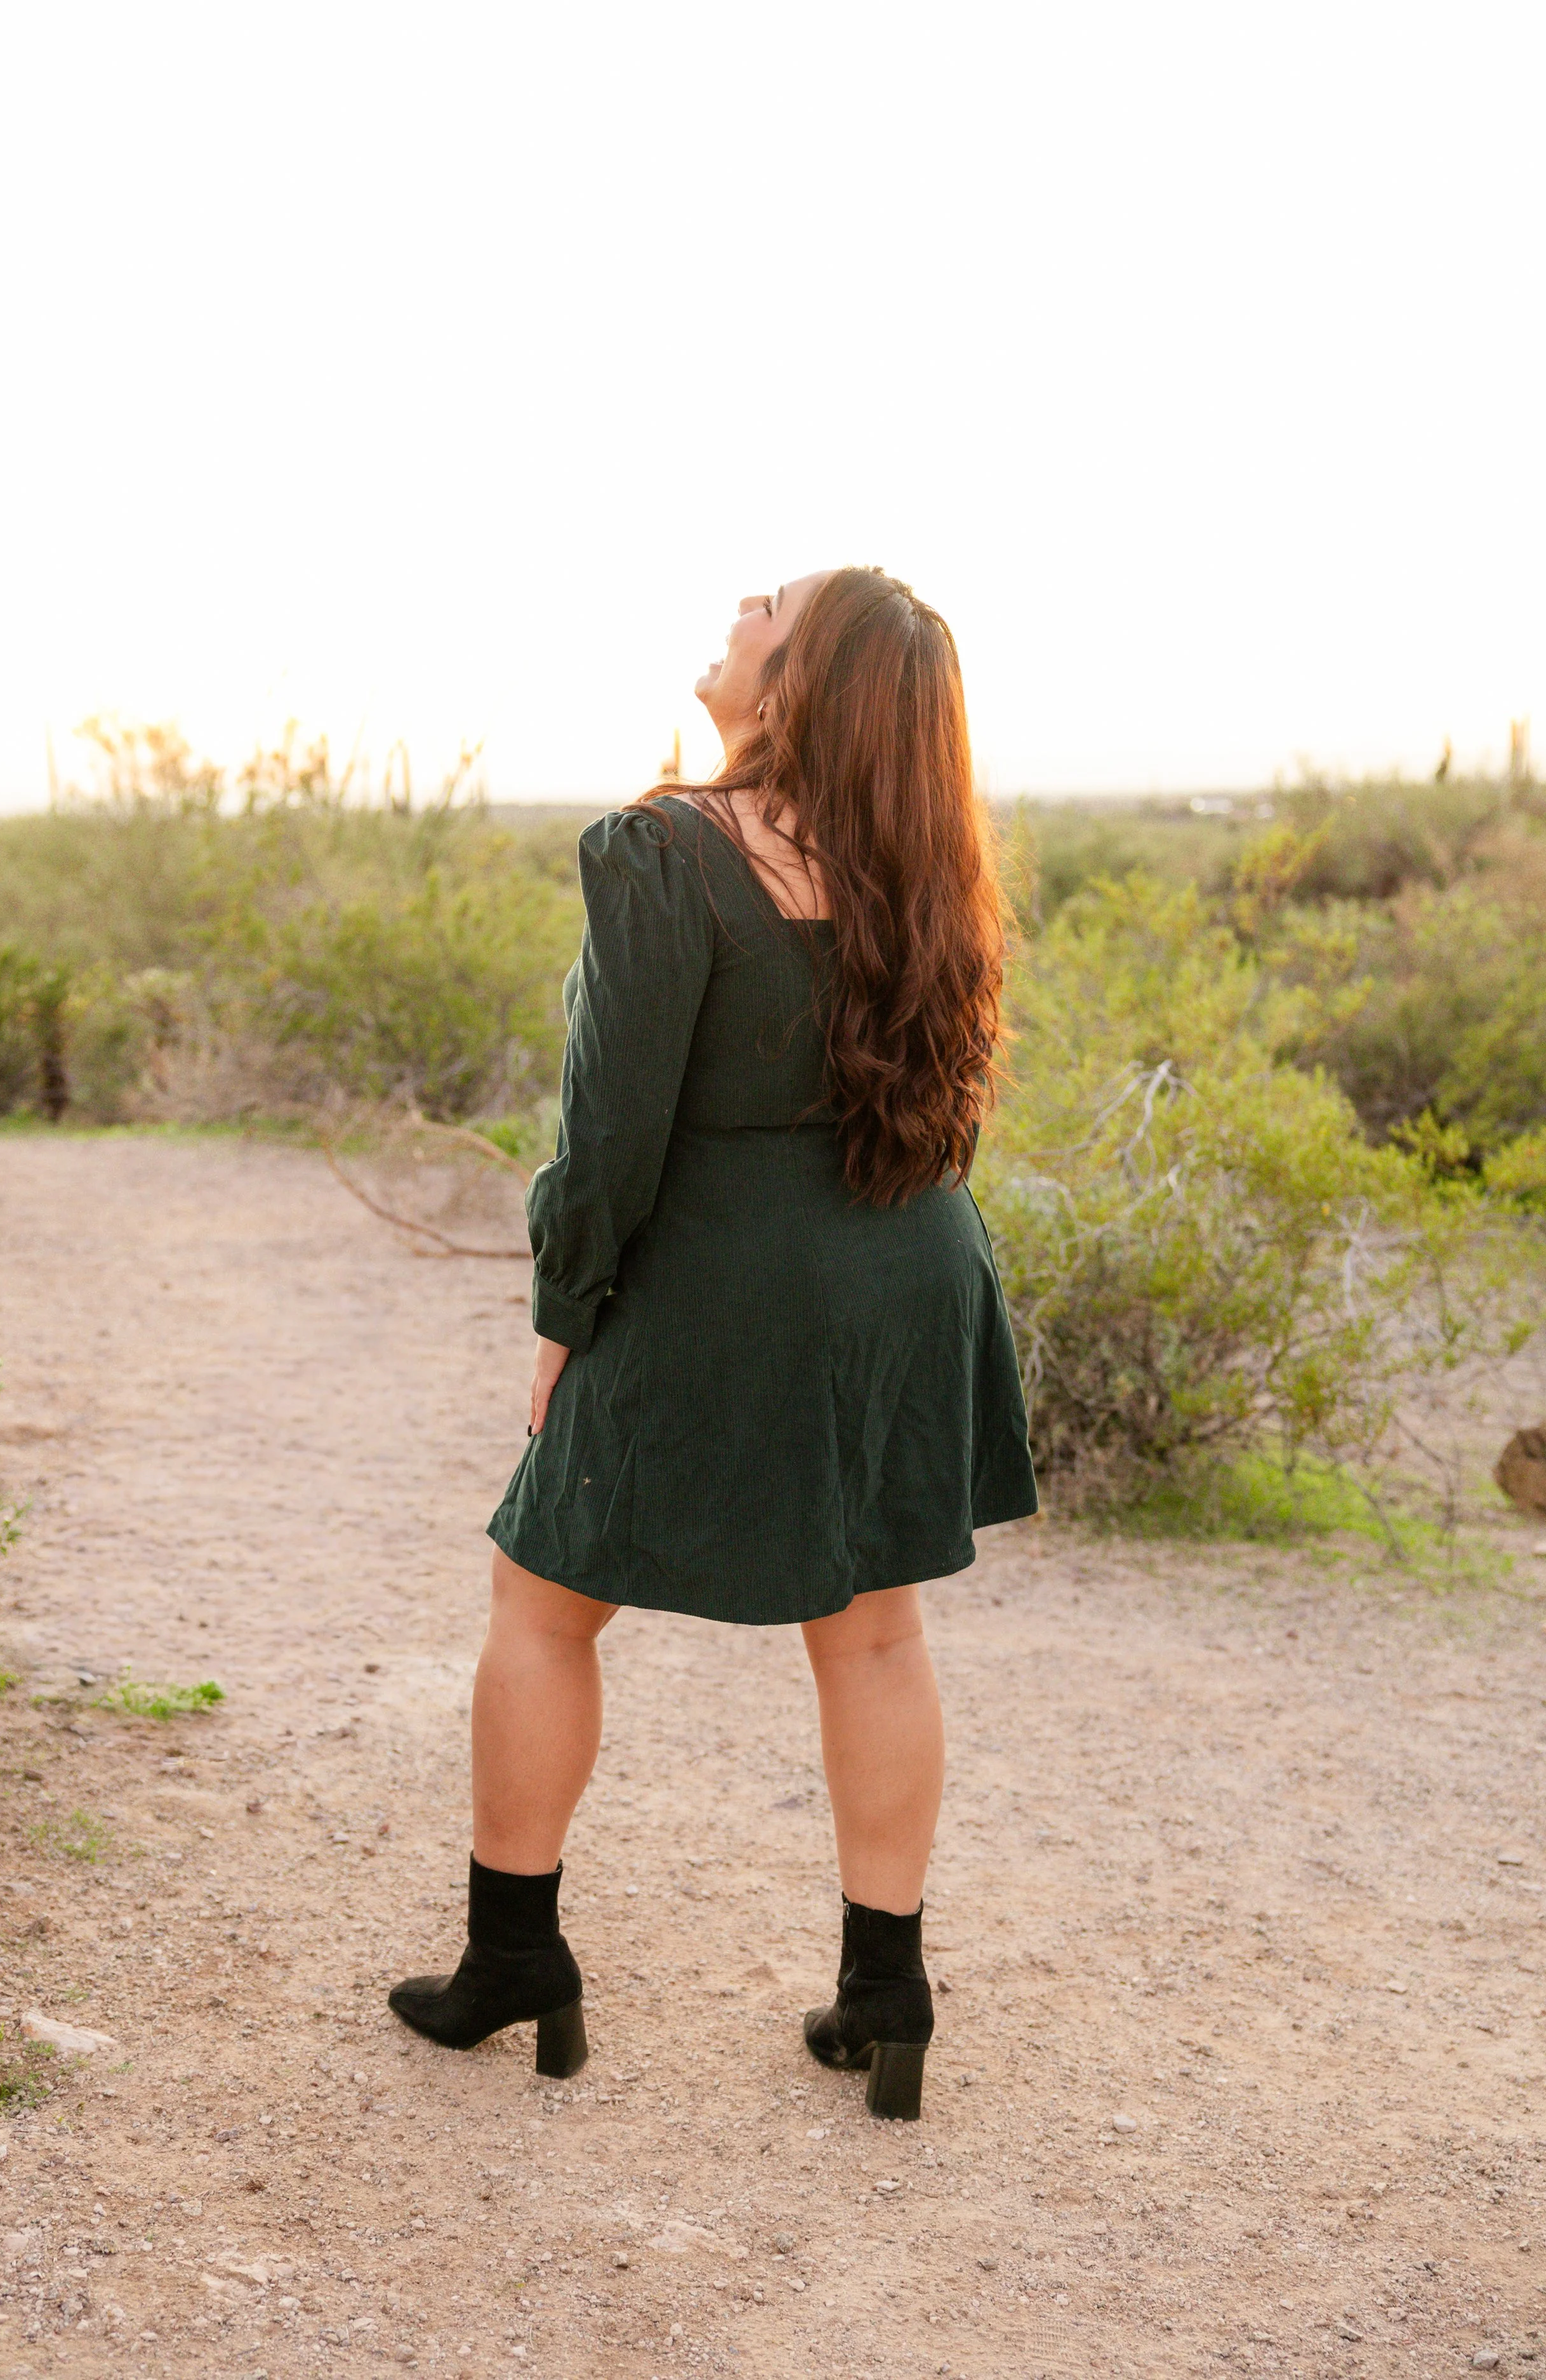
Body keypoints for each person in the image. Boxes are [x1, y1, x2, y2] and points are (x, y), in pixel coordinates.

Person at [388, 567, 1038, 2119]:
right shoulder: (925, 863)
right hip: (909, 1262)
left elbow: (607, 1135)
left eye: (773, 603)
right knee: (874, 1631)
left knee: (541, 1602)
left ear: (795, 683)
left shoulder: (667, 847)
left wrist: (566, 1315)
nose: (740, 601)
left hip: (728, 1278)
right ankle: (886, 1992)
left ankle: (512, 1961)